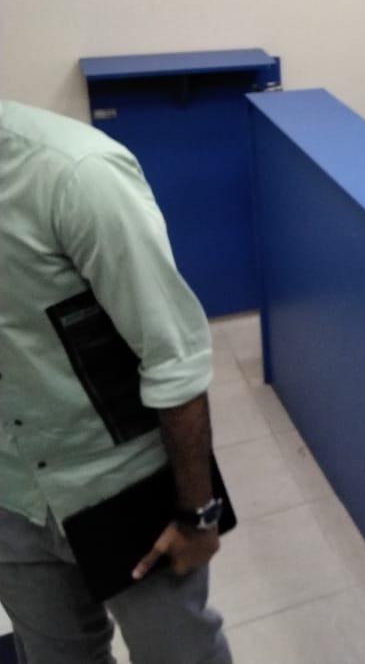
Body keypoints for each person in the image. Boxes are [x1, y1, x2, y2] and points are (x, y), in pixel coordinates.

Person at [0, 100, 232, 664]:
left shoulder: (75, 173)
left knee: (180, 656)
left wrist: (197, 514)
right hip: (11, 498)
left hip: (118, 485)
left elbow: (173, 357)